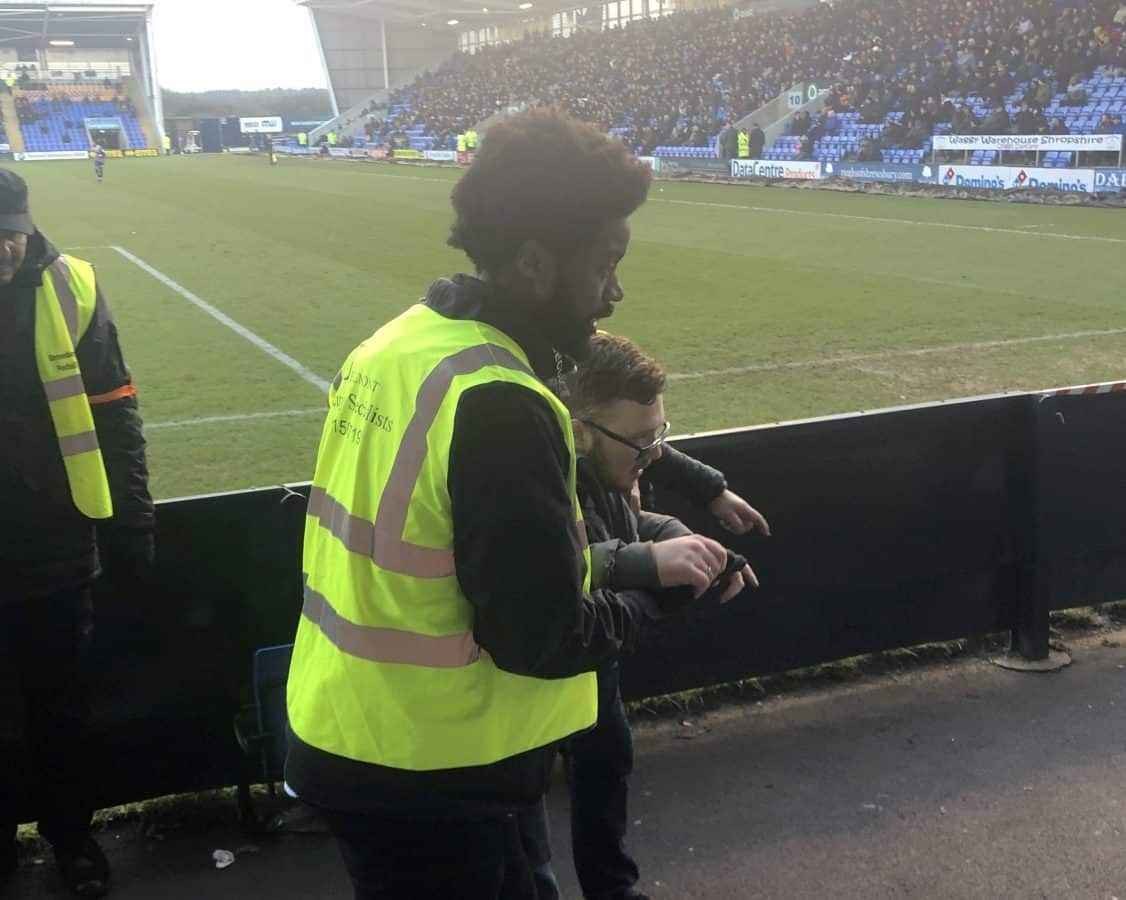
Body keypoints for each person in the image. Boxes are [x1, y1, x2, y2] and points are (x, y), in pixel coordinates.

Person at [285, 108, 730, 899]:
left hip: (355, 731)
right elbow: (544, 637)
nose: (616, 292)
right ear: (533, 264)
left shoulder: (398, 342)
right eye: (604, 264)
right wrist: (660, 591)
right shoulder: (501, 400)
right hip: (435, 767)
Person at [523, 333, 760, 900]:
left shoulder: (606, 447)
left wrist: (706, 511)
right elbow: (564, 569)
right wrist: (658, 571)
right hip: (528, 673)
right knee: (520, 800)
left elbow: (639, 503)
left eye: (659, 432)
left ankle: (612, 890)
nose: (653, 453)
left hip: (593, 663)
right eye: (639, 441)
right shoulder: (537, 475)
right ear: (579, 431)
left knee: (607, 760)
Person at [0, 168, 154, 897]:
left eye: (11, 238)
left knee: (61, 708)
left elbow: (116, 407)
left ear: (27, 231)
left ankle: (73, 838)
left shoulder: (71, 287)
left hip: (56, 542)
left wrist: (130, 521)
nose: (3, 252)